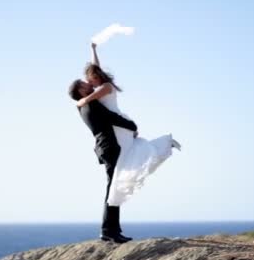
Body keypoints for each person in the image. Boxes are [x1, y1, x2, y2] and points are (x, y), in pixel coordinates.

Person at [76, 43, 181, 209]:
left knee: (128, 159)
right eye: (87, 82)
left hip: (117, 125)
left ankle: (163, 145)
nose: (89, 82)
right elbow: (96, 68)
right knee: (129, 158)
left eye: (90, 79)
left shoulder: (105, 87)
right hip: (116, 125)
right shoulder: (102, 85)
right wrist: (93, 50)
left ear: (97, 77)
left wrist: (81, 101)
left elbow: (88, 97)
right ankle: (164, 144)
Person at [68, 79, 136, 243]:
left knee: (114, 188)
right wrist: (133, 126)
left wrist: (93, 52)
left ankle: (113, 230)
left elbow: (99, 76)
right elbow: (112, 117)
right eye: (85, 85)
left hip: (104, 148)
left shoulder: (83, 106)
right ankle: (108, 231)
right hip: (109, 148)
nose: (90, 85)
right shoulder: (91, 105)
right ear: (81, 91)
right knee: (113, 189)